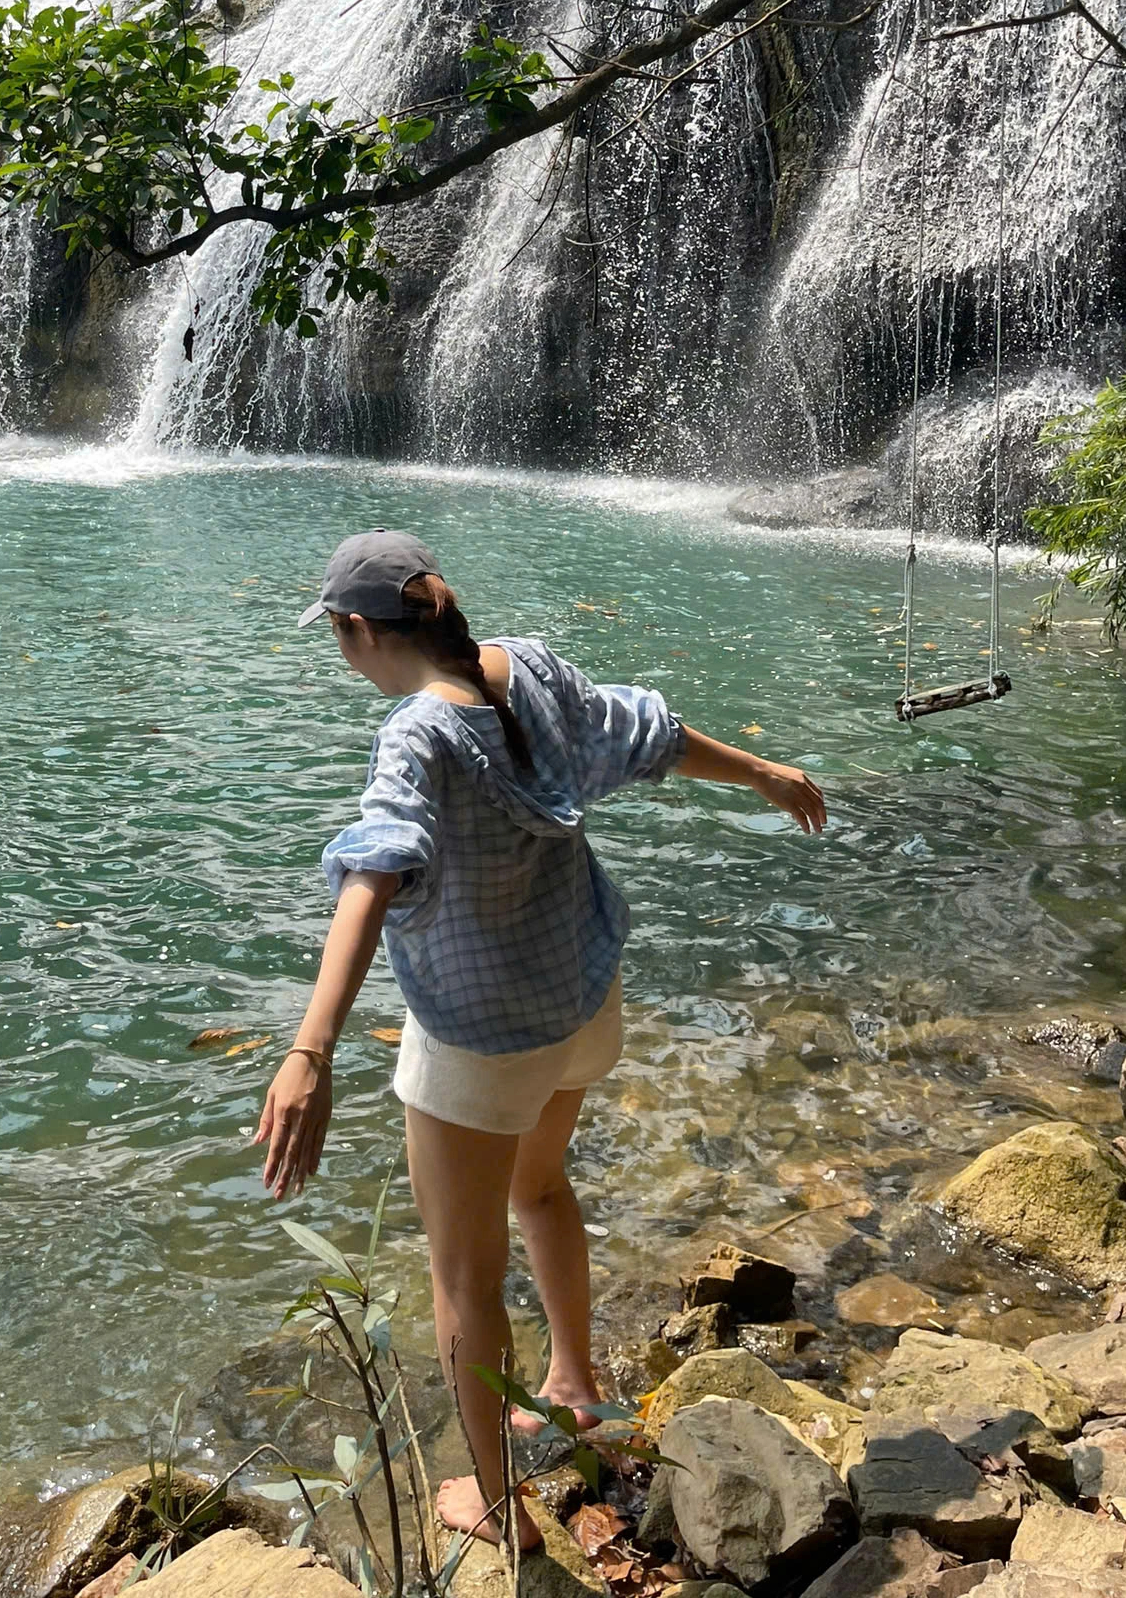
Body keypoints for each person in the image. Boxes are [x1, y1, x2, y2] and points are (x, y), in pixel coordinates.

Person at [253, 529, 827, 1553]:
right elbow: (648, 733)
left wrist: (310, 1050)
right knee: (542, 1186)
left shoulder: (416, 735)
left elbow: (375, 872)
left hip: (482, 1043)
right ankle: (575, 1383)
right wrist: (765, 774)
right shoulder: (531, 669)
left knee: (464, 1279)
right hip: (581, 1001)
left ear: (356, 632)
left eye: (338, 640)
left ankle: (495, 1502)